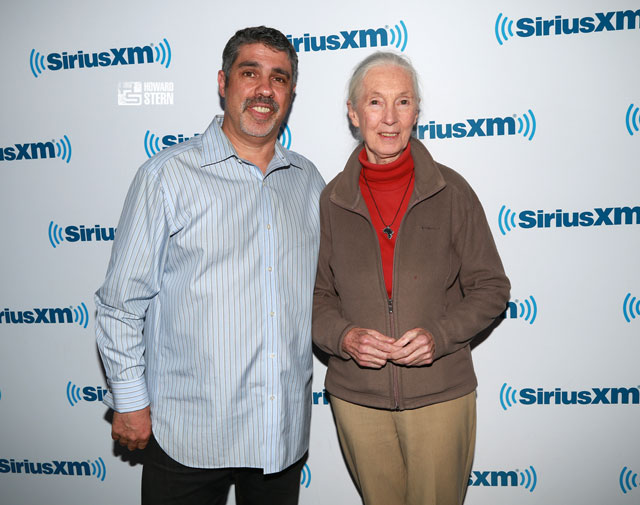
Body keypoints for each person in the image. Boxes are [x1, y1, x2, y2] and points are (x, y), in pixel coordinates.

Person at [95, 26, 325, 505]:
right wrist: (130, 401)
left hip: (278, 434)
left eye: (279, 78)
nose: (265, 89)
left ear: (291, 93)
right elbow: (121, 304)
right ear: (223, 82)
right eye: (250, 73)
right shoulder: (166, 176)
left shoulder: (307, 181)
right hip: (188, 434)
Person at [312, 51, 510, 505]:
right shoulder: (330, 200)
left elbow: (492, 288)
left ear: (416, 113)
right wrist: (344, 338)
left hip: (440, 394)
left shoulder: (451, 191)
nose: (389, 117)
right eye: (375, 102)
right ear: (353, 113)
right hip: (357, 399)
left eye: (402, 102)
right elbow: (316, 297)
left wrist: (439, 336)